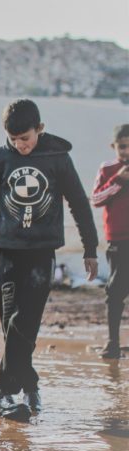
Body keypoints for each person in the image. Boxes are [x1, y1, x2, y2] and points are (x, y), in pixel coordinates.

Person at [0, 99, 98, 417]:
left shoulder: (58, 159)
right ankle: (30, 388)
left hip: (41, 252)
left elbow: (79, 204)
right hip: (7, 252)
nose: (20, 146)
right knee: (12, 324)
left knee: (25, 322)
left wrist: (90, 249)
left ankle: (2, 393)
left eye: (25, 138)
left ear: (39, 128)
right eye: (14, 140)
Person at [92, 123, 129, 360]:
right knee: (115, 291)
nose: (127, 152)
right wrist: (118, 180)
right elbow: (96, 198)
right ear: (113, 146)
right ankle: (113, 343)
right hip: (119, 240)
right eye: (123, 147)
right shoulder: (108, 169)